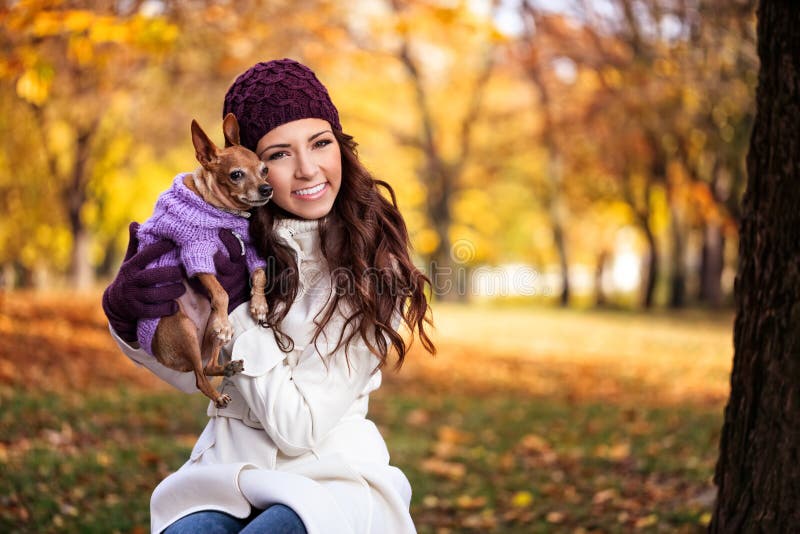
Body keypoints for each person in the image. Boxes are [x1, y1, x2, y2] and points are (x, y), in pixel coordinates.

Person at [102, 59, 435, 534]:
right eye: (279, 154)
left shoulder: (373, 269)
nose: (306, 169)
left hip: (331, 482)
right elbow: (191, 374)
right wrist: (127, 321)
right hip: (225, 475)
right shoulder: (227, 240)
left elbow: (298, 430)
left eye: (320, 143)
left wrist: (235, 310)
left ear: (340, 146)